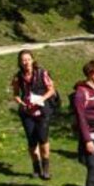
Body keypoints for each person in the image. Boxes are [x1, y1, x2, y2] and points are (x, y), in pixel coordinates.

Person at [10, 50, 56, 179]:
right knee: (31, 141)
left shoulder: (42, 73)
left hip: (42, 110)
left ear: (33, 60)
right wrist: (21, 103)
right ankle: (36, 168)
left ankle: (46, 169)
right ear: (20, 62)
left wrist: (42, 99)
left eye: (28, 59)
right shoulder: (18, 77)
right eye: (23, 60)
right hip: (27, 112)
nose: (26, 62)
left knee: (43, 139)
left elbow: (51, 90)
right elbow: (15, 94)